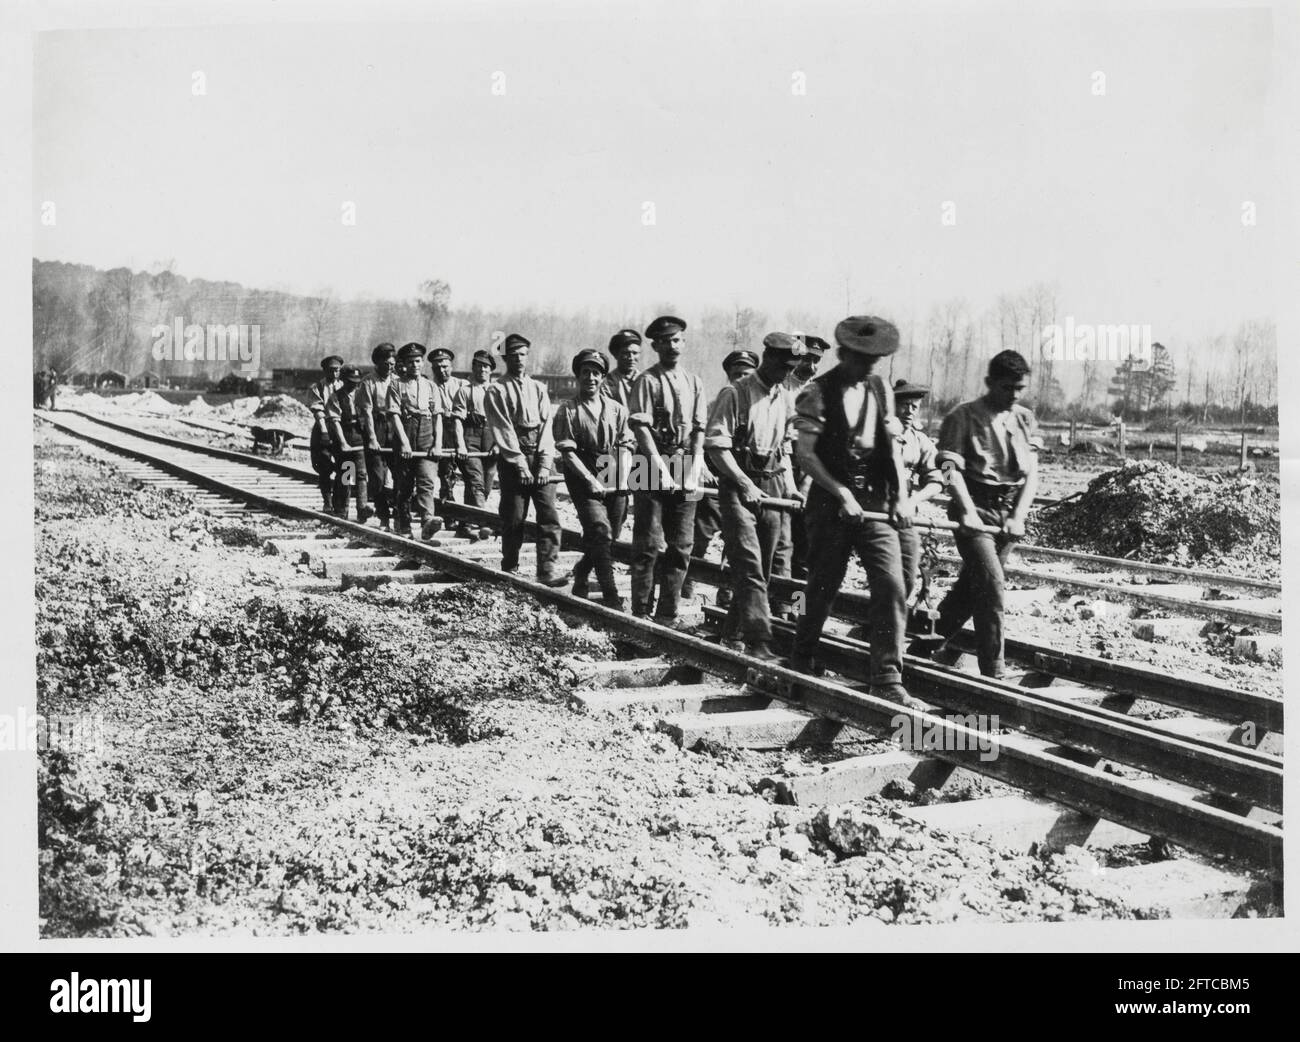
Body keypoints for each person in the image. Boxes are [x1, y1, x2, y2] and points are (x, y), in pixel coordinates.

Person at [788, 316, 923, 708]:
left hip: (875, 501)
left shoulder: (879, 388)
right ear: (844, 354)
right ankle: (803, 653)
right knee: (823, 584)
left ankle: (886, 677)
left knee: (892, 584)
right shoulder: (817, 392)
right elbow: (806, 455)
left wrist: (899, 496)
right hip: (831, 502)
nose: (868, 368)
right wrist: (841, 493)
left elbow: (893, 448)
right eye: (862, 360)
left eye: (874, 361)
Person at [929, 350, 1040, 678]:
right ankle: (994, 670)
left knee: (971, 589)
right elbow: (948, 468)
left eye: (1020, 388)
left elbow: (1032, 473)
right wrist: (965, 510)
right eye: (1008, 388)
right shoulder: (962, 417)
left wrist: (1018, 515)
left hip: (1007, 514)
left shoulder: (1024, 419)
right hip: (973, 507)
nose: (1015, 395)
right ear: (990, 383)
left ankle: (921, 645)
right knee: (992, 583)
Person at [704, 334, 803, 658]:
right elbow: (717, 447)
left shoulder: (785, 397)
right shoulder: (736, 393)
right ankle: (760, 642)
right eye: (782, 366)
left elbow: (785, 449)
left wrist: (790, 486)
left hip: (772, 485)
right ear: (767, 358)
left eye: (791, 368)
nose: (785, 373)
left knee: (760, 569)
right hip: (738, 485)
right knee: (748, 565)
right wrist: (743, 482)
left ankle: (731, 636)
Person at [627, 315, 707, 623]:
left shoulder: (695, 382)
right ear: (656, 346)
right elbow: (640, 428)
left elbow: (699, 427)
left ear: (683, 343)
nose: (671, 346)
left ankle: (668, 612)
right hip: (649, 462)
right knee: (648, 543)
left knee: (682, 544)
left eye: (676, 340)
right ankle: (641, 611)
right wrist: (659, 466)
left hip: (684, 460)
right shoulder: (647, 381)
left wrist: (695, 462)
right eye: (665, 341)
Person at [485, 333, 568, 586]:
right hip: (513, 459)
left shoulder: (539, 388)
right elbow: (503, 430)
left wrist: (544, 463)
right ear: (505, 358)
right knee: (514, 517)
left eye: (523, 354)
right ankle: (510, 565)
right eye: (513, 355)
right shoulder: (496, 390)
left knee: (549, 514)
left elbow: (546, 429)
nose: (519, 359)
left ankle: (547, 569)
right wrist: (520, 464)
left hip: (541, 456)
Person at [553, 349, 633, 608]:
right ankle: (611, 596)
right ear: (578, 376)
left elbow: (626, 443)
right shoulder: (567, 410)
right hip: (581, 474)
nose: (590, 377)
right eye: (585, 372)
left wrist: (622, 472)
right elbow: (567, 453)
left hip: (612, 471)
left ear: (602, 377)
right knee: (599, 531)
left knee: (612, 534)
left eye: (596, 373)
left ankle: (582, 572)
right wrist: (589, 479)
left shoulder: (618, 410)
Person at [681, 349, 758, 604]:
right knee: (701, 534)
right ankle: (688, 581)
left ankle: (726, 591)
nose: (741, 379)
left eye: (746, 374)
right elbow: (697, 438)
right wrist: (700, 462)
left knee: (736, 539)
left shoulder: (757, 408)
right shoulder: (716, 405)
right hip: (713, 480)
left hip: (744, 483)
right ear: (728, 375)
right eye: (736, 374)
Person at [892, 379, 946, 604]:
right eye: (905, 405)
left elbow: (938, 480)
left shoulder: (920, 440)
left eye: (915, 406)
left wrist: (915, 499)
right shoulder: (877, 434)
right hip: (871, 508)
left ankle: (882, 626)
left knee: (907, 574)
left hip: (903, 513)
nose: (910, 411)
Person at [385, 342, 443, 540]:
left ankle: (428, 521)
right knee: (404, 485)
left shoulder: (431, 386)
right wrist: (403, 443)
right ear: (404, 364)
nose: (415, 365)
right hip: (406, 432)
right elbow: (394, 416)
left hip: (427, 433)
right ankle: (403, 524)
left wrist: (437, 444)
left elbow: (437, 417)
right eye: (410, 362)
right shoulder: (396, 385)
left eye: (418, 361)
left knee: (427, 480)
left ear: (422, 363)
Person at [786, 335, 828, 580]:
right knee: (774, 537)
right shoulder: (780, 386)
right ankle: (729, 594)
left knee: (803, 542)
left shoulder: (820, 392)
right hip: (780, 462)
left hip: (808, 466)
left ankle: (794, 606)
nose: (811, 366)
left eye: (816, 361)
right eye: (807, 358)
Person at [450, 348, 498, 537]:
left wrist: (498, 443)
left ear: (491, 370)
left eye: (486, 366)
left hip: (492, 437)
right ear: (473, 368)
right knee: (475, 481)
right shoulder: (465, 391)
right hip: (471, 436)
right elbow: (457, 420)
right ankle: (484, 523)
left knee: (484, 485)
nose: (482, 370)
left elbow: (504, 421)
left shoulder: (498, 391)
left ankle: (464, 524)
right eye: (478, 366)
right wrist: (460, 444)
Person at [325, 364, 372, 522]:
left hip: (360, 436)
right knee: (346, 474)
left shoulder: (361, 394)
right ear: (344, 380)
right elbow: (335, 422)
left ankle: (362, 508)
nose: (354, 384)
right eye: (351, 381)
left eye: (356, 381)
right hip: (344, 435)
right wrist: (343, 442)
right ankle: (342, 510)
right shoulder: (336, 397)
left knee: (361, 474)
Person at [358, 343, 397, 529]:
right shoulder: (368, 382)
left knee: (400, 473)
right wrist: (372, 438)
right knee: (378, 475)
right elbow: (366, 412)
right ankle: (384, 516)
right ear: (378, 362)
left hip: (395, 426)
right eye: (386, 363)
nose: (390, 366)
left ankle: (399, 514)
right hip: (377, 426)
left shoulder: (397, 381)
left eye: (392, 362)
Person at [429, 347, 467, 505]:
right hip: (439, 428)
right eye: (437, 367)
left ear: (451, 366)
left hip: (461, 427)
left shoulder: (462, 384)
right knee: (445, 469)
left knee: (468, 467)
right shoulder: (429, 385)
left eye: (445, 366)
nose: (441, 370)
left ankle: (471, 508)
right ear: (432, 369)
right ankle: (448, 503)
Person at [308, 355, 344, 511]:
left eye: (337, 370)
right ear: (325, 371)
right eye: (331, 370)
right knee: (324, 465)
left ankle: (343, 501)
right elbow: (317, 410)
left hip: (343, 428)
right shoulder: (317, 387)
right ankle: (327, 501)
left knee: (347, 465)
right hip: (325, 427)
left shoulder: (345, 385)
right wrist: (324, 431)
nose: (335, 374)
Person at [600, 329, 642, 408]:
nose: (631, 358)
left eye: (635, 353)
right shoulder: (607, 384)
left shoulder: (646, 380)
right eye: (626, 353)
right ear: (616, 354)